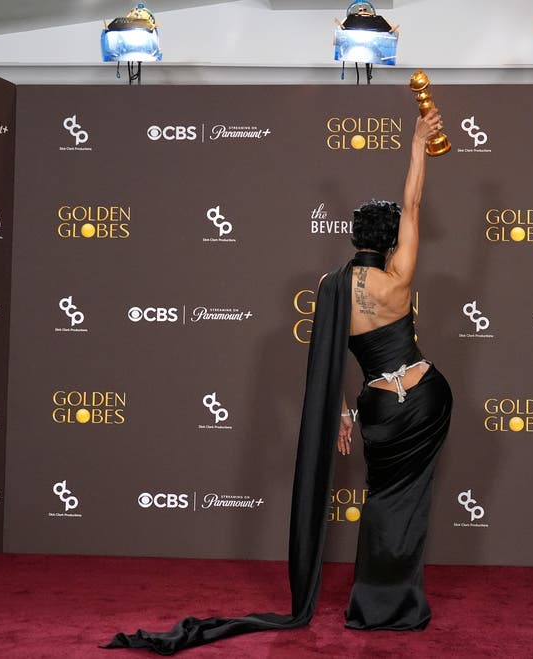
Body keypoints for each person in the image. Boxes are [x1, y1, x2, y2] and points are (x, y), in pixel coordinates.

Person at [105, 108, 449, 653]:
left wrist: (341, 410)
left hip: (380, 409)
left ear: (353, 237)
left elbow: (328, 362)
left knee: (384, 498)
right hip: (425, 399)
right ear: (389, 243)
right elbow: (413, 202)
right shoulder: (398, 280)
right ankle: (402, 605)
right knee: (412, 498)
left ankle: (374, 605)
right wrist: (417, 142)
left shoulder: (329, 287)